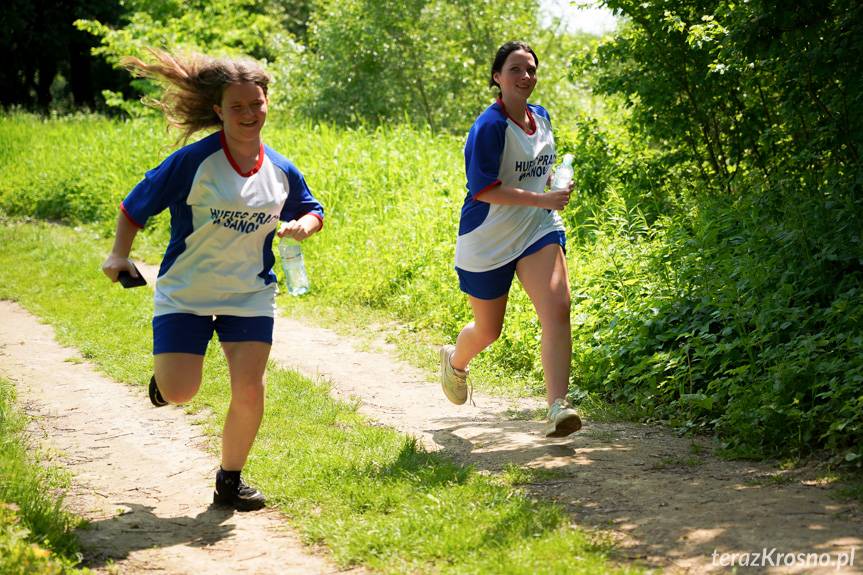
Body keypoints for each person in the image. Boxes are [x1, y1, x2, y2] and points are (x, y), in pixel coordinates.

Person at [101, 49, 323, 510]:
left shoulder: (281, 169)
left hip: (250, 295)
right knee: (182, 391)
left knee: (249, 387)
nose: (248, 114)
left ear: (267, 104)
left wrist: (306, 225)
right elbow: (134, 205)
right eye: (236, 107)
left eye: (255, 104)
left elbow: (311, 208)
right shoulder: (193, 162)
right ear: (218, 110)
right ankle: (165, 384)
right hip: (188, 293)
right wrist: (118, 254)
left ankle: (230, 480)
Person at [440, 41, 581, 438]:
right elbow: (483, 189)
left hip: (538, 227)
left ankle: (557, 406)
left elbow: (541, 170)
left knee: (557, 308)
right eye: (516, 69)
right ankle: (455, 362)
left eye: (531, 70)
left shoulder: (543, 117)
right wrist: (542, 196)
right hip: (488, 238)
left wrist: (553, 188)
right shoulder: (489, 126)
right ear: (497, 78)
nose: (525, 77)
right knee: (488, 330)